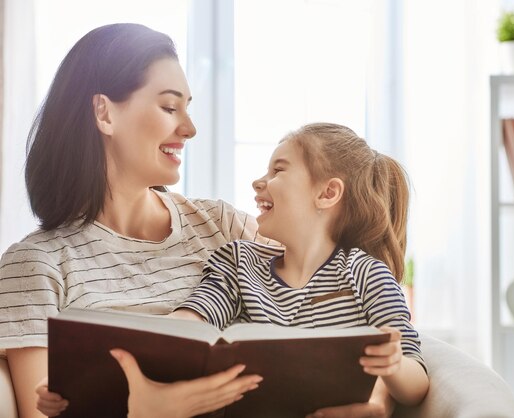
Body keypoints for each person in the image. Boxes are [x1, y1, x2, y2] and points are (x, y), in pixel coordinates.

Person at [0, 23, 397, 418]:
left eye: (187, 108)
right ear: (104, 113)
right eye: (170, 107)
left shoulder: (221, 226)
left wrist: (377, 399)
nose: (189, 129)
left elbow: (353, 305)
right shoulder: (37, 266)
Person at [173, 122, 430, 407]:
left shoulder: (367, 275)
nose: (258, 182)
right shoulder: (237, 263)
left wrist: (394, 364)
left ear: (327, 193)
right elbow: (190, 324)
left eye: (278, 170)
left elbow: (416, 384)